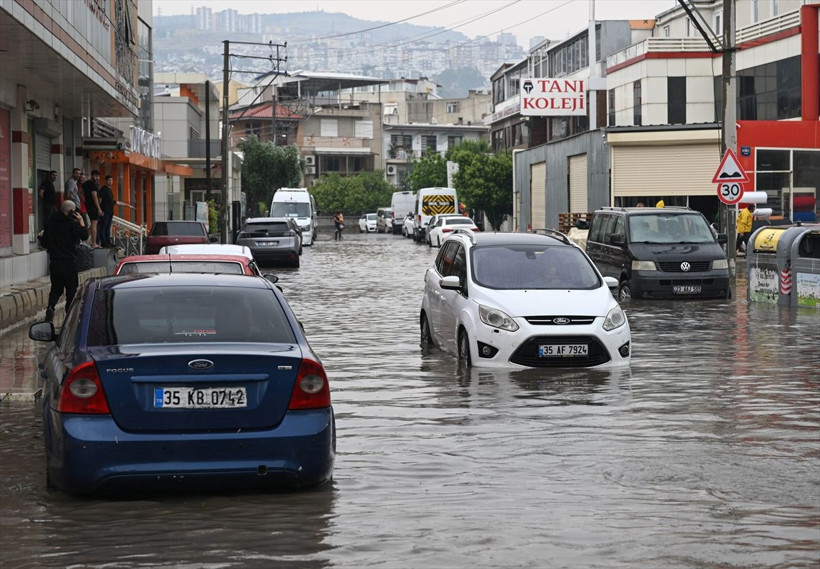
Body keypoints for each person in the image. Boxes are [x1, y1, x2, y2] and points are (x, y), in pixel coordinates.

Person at [42, 200, 88, 322]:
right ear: (71, 211)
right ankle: (69, 317)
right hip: (69, 263)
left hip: (55, 262)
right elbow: (84, 236)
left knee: (56, 289)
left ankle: (51, 307)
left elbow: (44, 242)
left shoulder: (50, 223)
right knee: (71, 291)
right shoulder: (72, 224)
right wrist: (81, 222)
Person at [97, 174, 134, 248]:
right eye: (109, 180)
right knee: (103, 227)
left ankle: (108, 242)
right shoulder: (103, 189)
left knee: (107, 227)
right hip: (104, 212)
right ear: (106, 181)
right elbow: (99, 200)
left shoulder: (109, 190)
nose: (111, 182)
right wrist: (99, 210)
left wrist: (127, 205)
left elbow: (115, 202)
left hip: (110, 212)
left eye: (112, 180)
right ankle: (103, 242)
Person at [83, 170, 102, 247]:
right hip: (93, 207)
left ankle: (84, 239)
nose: (97, 178)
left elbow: (80, 192)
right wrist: (99, 208)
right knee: (94, 224)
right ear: (92, 175)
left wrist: (85, 201)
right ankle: (94, 243)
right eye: (95, 176)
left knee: (92, 225)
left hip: (88, 206)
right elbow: (95, 197)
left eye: (98, 176)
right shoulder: (93, 185)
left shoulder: (86, 183)